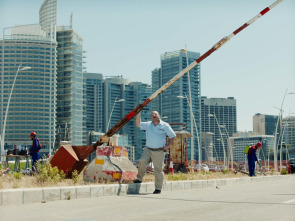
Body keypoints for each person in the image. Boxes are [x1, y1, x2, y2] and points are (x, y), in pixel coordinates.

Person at [134, 111, 176, 194]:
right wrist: (138, 113)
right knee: (142, 161)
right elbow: (139, 124)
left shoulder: (165, 125)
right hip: (148, 149)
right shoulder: (148, 124)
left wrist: (168, 146)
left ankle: (158, 188)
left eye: (155, 114)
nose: (153, 115)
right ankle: (139, 179)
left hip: (159, 151)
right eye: (152, 114)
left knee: (158, 170)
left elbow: (173, 136)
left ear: (159, 116)